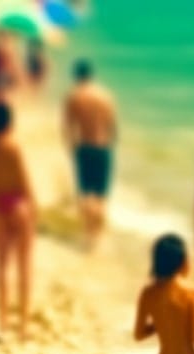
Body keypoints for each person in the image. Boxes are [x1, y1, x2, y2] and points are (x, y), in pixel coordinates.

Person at [63, 59, 117, 250]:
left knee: (86, 194)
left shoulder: (74, 96)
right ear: (91, 74)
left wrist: (71, 150)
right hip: (104, 149)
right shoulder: (106, 95)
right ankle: (99, 238)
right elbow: (113, 127)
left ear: (77, 76)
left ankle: (89, 235)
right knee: (101, 196)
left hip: (84, 148)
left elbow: (68, 128)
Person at [0, 102, 34, 341]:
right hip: (17, 205)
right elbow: (24, 182)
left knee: (2, 263)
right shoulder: (14, 146)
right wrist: (35, 209)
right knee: (24, 265)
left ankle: (4, 320)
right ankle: (24, 326)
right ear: (10, 122)